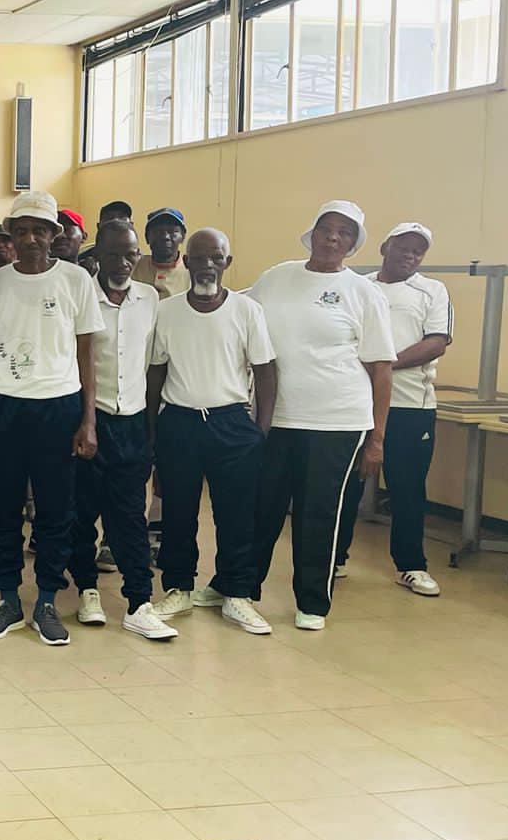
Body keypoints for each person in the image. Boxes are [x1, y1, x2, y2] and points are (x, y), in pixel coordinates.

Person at [248, 200, 395, 631]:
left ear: (354, 243)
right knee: (261, 508)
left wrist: (377, 438)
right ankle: (239, 587)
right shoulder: (276, 278)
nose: (333, 237)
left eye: (344, 232)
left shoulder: (363, 292)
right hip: (275, 418)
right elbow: (236, 316)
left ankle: (312, 601)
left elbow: (381, 369)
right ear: (311, 232)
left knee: (319, 513)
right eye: (326, 228)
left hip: (337, 422)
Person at [0, 191, 102, 648]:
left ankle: (46, 601)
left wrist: (88, 420)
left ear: (53, 235)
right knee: (2, 508)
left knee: (55, 510)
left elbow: (87, 354)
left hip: (59, 407)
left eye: (39, 231)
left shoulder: (76, 280)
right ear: (10, 235)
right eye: (21, 231)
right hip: (3, 405)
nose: (29, 239)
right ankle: (7, 599)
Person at [147, 228, 276, 626]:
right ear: (186, 262)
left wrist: (260, 431)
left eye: (216, 258)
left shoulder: (247, 310)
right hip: (179, 421)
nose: (207, 265)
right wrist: (152, 433)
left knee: (236, 514)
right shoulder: (166, 311)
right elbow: (156, 374)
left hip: (231, 422)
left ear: (227, 263)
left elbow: (266, 371)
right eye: (199, 258)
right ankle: (178, 589)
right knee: (178, 512)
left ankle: (236, 593)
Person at [64, 221, 173, 640]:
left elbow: (153, 366)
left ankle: (139, 601)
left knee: (129, 517)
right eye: (113, 255)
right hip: (87, 418)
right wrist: (84, 422)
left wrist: (152, 428)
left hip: (133, 422)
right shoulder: (81, 297)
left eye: (130, 255)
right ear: (97, 257)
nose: (123, 263)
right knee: (82, 512)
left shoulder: (150, 298)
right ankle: (87, 589)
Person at [333, 222, 451, 596]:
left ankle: (411, 566)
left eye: (418, 251)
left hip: (410, 407)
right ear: (385, 247)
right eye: (404, 247)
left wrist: (383, 365)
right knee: (346, 485)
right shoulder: (358, 285)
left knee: (407, 488)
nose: (410, 255)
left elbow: (436, 342)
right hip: (357, 404)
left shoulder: (432, 291)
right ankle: (334, 559)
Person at [133, 207, 190, 299]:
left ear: (183, 237)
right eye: (158, 231)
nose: (165, 237)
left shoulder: (191, 273)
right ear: (147, 237)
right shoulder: (134, 267)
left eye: (172, 231)